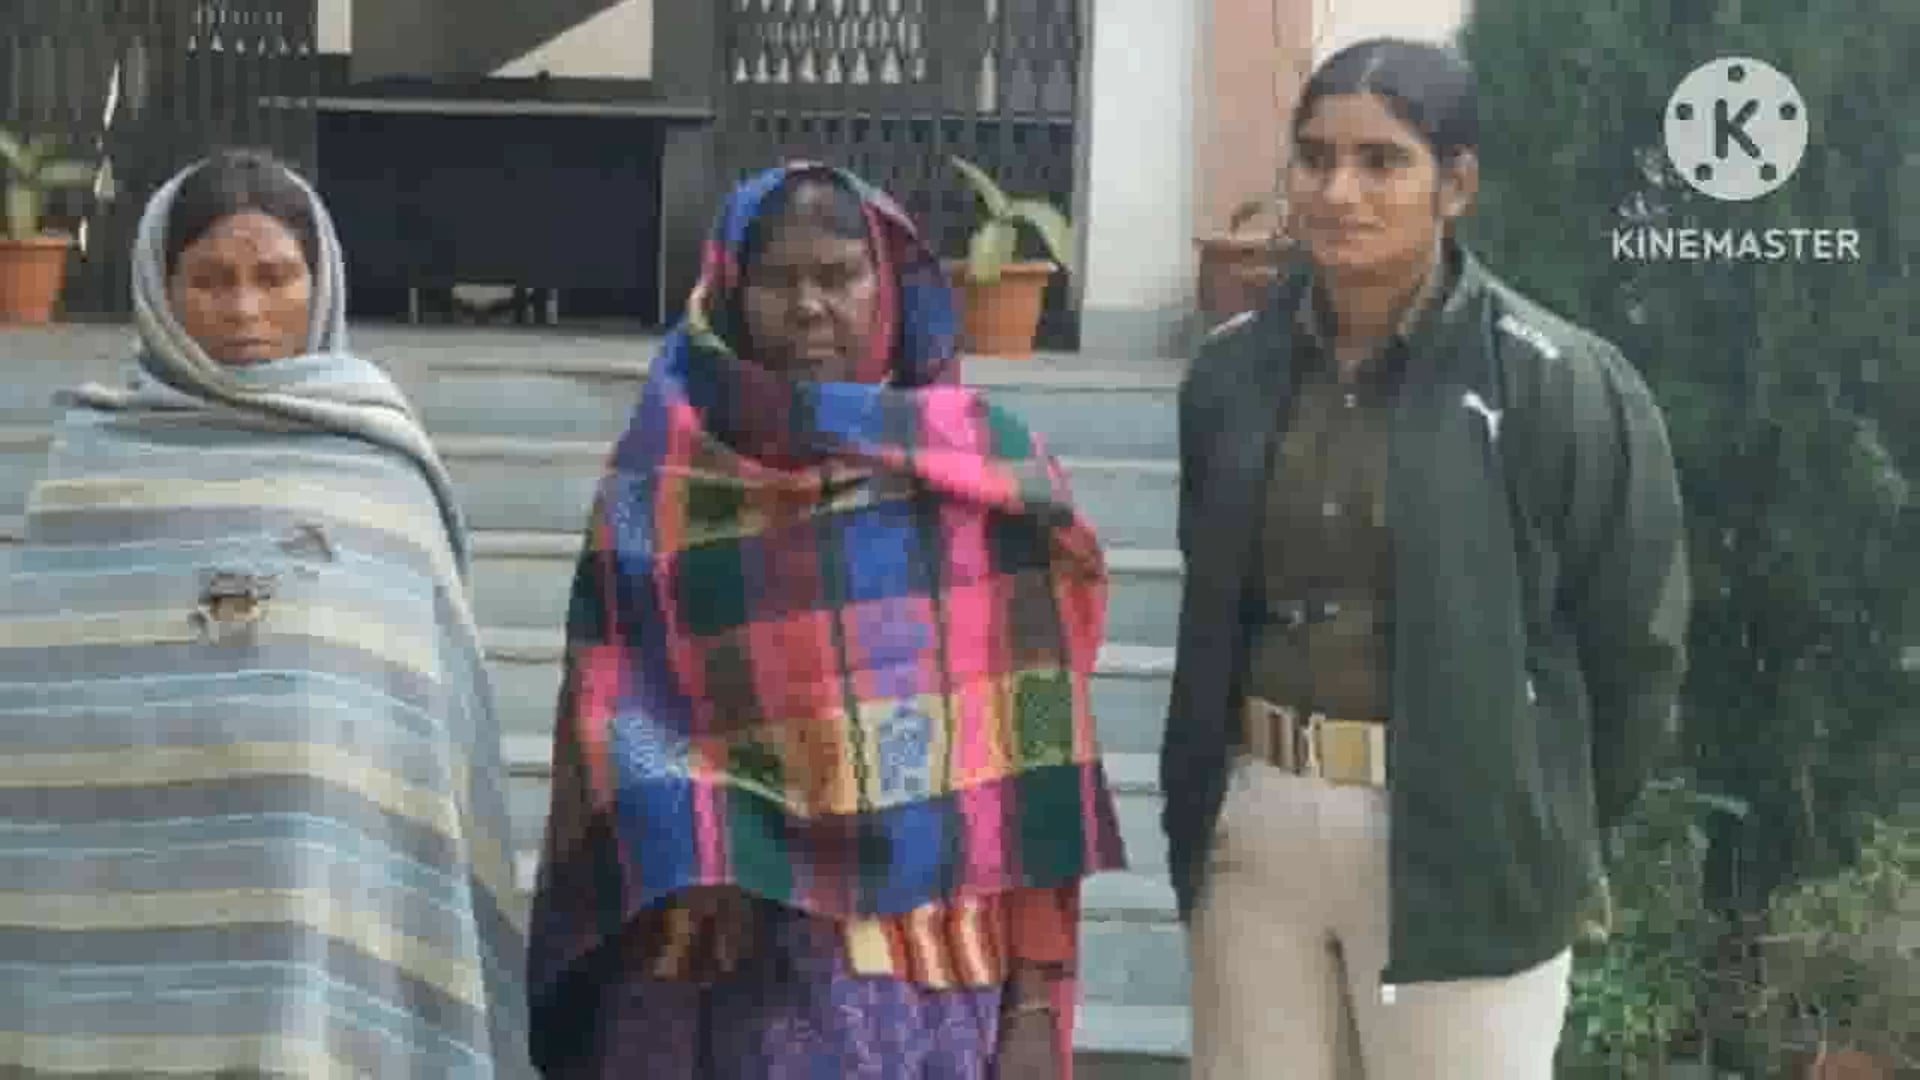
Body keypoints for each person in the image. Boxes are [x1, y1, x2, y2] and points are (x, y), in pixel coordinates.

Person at [525, 162, 1126, 1079]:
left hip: (917, 971)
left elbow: (1032, 762)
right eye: (778, 279)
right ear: (732, 290)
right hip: (709, 969)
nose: (808, 307)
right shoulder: (661, 479)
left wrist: (1036, 998)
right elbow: (607, 727)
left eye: (838, 275)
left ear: (888, 288)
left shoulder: (981, 471)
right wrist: (715, 832)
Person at [1161, 39, 1689, 1078]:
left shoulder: (1557, 384)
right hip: (1256, 831)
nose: (1338, 192)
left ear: (1456, 184)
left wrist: (1537, 812)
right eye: (1316, 157)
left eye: (1382, 161)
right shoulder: (1229, 375)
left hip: (1466, 842)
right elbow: (1212, 594)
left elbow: (1636, 648)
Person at [0, 150, 533, 1077]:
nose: (244, 310)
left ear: (319, 284)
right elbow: (42, 691)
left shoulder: (381, 467)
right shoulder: (92, 463)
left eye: (275, 277)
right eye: (210, 280)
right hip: (119, 888)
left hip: (318, 881)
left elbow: (423, 716)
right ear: (161, 290)